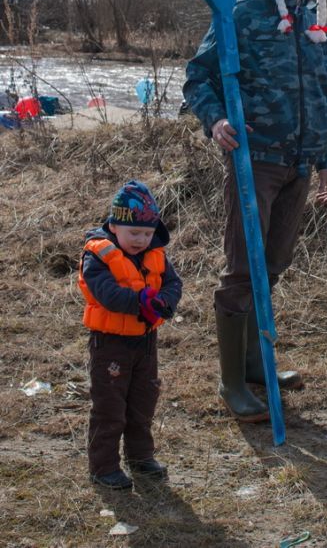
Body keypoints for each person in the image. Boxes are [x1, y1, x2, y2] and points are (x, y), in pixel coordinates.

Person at [183, 0, 327, 422]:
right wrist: (216, 120)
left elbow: (324, 97)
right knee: (242, 270)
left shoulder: (316, 23)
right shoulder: (241, 13)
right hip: (255, 160)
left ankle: (255, 364)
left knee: (272, 265)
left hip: (300, 163)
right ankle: (232, 382)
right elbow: (198, 78)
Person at [78, 180, 183, 490]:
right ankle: (103, 467)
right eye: (134, 233)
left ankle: (140, 457)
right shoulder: (98, 255)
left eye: (147, 234)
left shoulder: (156, 253)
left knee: (143, 401)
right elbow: (107, 294)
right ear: (114, 226)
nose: (141, 240)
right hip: (110, 343)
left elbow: (173, 284)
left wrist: (163, 304)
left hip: (145, 343)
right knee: (110, 407)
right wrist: (141, 302)